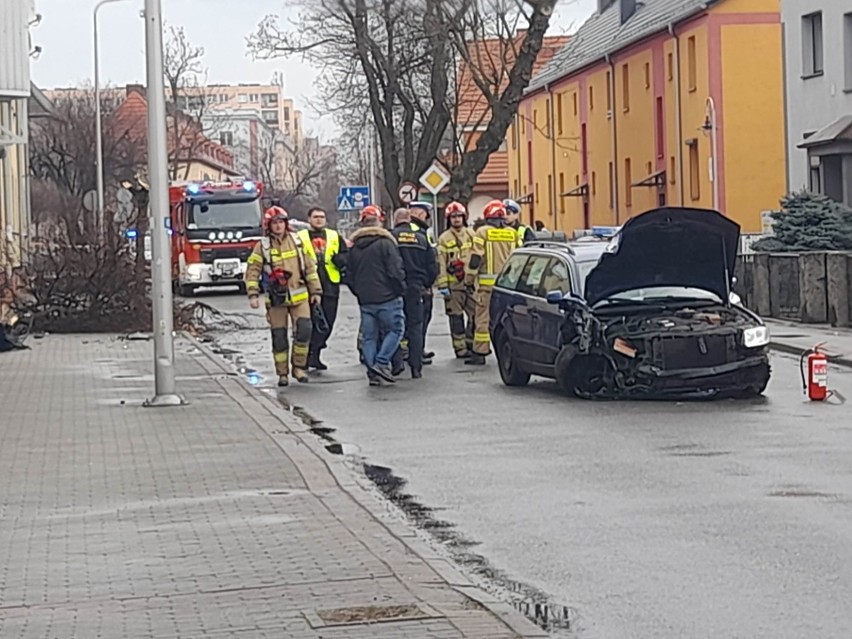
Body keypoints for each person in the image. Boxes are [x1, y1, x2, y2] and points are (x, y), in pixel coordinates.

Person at [245, 206, 322, 386]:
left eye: (281, 222)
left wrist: (316, 291)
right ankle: (282, 374)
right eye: (275, 223)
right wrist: (253, 294)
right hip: (276, 299)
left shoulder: (297, 241)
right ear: (268, 225)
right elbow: (252, 271)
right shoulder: (262, 246)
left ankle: (299, 368)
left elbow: (310, 268)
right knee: (279, 337)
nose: (278, 226)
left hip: (300, 295)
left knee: (304, 331)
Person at [347, 207, 406, 386]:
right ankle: (381, 363)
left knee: (369, 337)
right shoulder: (386, 243)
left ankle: (372, 370)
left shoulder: (355, 247)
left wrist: (359, 292)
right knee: (395, 331)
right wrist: (399, 289)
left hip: (366, 300)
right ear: (380, 221)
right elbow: (395, 271)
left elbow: (349, 274)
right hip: (388, 298)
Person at [465, 199, 518, 366]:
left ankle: (480, 352)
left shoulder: (482, 232)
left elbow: (475, 258)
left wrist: (469, 280)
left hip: (487, 287)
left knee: (483, 318)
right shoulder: (512, 233)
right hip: (508, 286)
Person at [297, 206, 347, 371]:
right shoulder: (300, 237)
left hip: (330, 284)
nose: (319, 219)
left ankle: (316, 354)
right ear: (309, 219)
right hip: (308, 286)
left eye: (322, 216)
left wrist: (339, 260)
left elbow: (346, 256)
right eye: (316, 217)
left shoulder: (334, 236)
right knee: (309, 323)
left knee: (328, 323)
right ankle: (306, 355)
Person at [392, 208, 437, 379]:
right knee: (415, 327)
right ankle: (416, 367)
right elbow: (432, 266)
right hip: (417, 288)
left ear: (396, 220)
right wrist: (426, 284)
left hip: (396, 287)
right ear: (409, 220)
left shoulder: (391, 237)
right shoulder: (421, 238)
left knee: (394, 326)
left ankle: (397, 363)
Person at [436, 201, 476, 358]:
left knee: (475, 317)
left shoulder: (472, 235)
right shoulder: (444, 238)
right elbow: (441, 263)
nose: (457, 219)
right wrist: (443, 284)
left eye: (459, 216)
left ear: (464, 217)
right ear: (449, 219)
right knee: (456, 317)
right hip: (454, 285)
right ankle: (460, 349)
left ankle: (472, 344)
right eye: (453, 217)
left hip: (471, 284)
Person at [409, 201, 437, 363]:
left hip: (415, 282)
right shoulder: (418, 231)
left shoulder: (421, 230)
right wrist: (428, 281)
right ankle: (416, 352)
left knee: (419, 318)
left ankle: (418, 349)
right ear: (420, 214)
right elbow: (428, 258)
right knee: (419, 319)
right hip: (420, 282)